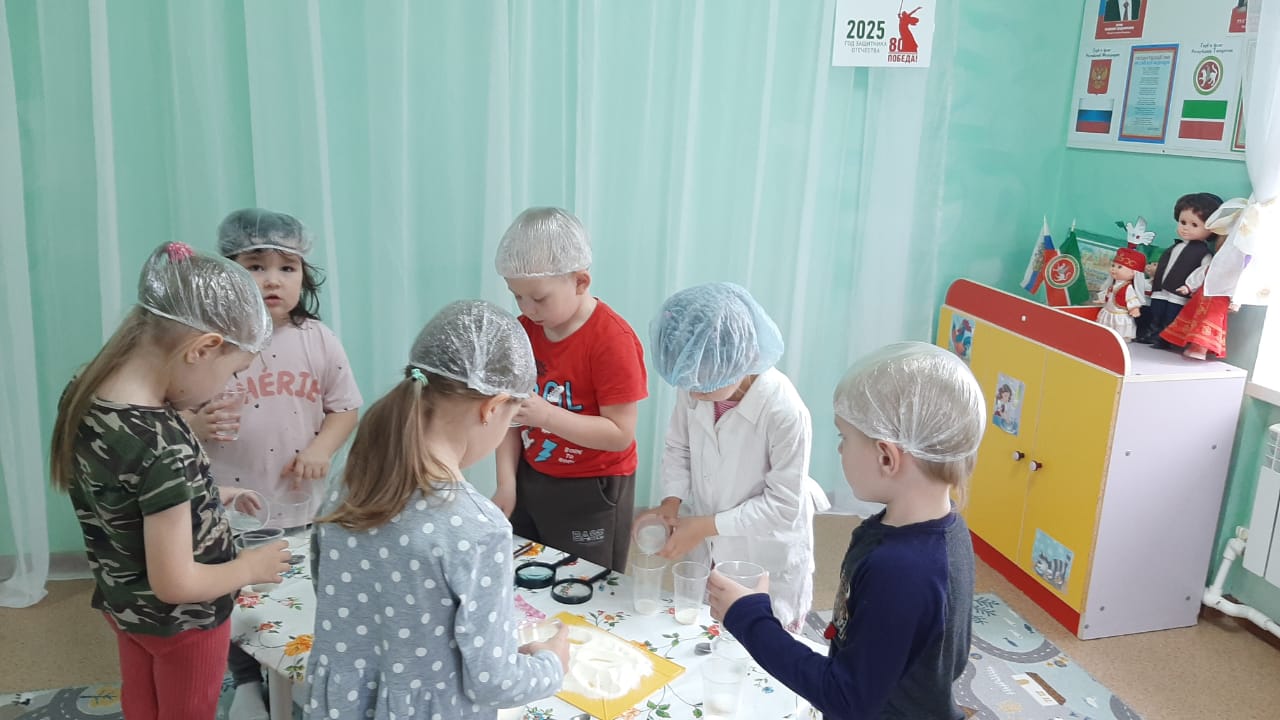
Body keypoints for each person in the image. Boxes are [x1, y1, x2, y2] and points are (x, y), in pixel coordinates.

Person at [48, 242, 289, 720]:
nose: (228, 387)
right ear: (203, 349)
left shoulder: (86, 394)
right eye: (233, 371)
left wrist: (212, 496)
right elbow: (177, 582)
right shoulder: (163, 442)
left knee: (140, 697)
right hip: (186, 623)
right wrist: (249, 567)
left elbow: (129, 495)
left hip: (124, 605)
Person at [307, 300, 569, 720]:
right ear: (491, 408)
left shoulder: (347, 485)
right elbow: (494, 681)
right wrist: (552, 663)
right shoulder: (478, 528)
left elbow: (333, 592)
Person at [708, 342, 984, 720]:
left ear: (886, 457)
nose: (840, 450)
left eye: (844, 438)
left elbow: (845, 698)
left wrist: (748, 615)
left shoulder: (901, 570)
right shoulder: (944, 530)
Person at [182, 209, 363, 719]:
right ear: (229, 274)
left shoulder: (317, 339)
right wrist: (195, 425)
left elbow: (345, 408)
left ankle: (293, 672)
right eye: (256, 266)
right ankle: (245, 681)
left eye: (287, 267)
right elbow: (167, 416)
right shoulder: (207, 343)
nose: (272, 280)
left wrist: (322, 449)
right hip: (229, 504)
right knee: (235, 597)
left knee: (298, 597)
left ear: (304, 276)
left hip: (301, 504)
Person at [641, 282, 828, 631]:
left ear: (740, 358)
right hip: (713, 543)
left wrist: (704, 526)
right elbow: (679, 446)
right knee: (713, 627)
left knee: (766, 637)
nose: (693, 392)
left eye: (703, 383)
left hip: (764, 549)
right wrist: (671, 500)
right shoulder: (695, 386)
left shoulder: (784, 411)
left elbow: (783, 506)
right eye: (687, 382)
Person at [492, 207, 648, 570]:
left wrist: (547, 416)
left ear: (580, 282)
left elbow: (619, 435)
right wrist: (506, 483)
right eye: (517, 297)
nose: (528, 309)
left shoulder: (611, 340)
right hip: (531, 475)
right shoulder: (522, 332)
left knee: (584, 582)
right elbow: (510, 419)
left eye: (539, 298)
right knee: (528, 571)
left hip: (592, 487)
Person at [1137, 193, 1223, 345]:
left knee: (1171, 316)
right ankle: (1152, 333)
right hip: (1160, 289)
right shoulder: (1175, 247)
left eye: (1194, 225)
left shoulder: (1203, 254)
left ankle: (1164, 338)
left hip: (1179, 292)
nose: (1185, 228)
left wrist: (1190, 286)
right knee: (1156, 311)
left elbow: (1203, 273)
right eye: (1183, 222)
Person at [1094, 247, 1148, 341]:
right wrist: (1102, 299)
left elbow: (1132, 299)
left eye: (1119, 267)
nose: (1114, 269)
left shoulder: (1128, 288)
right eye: (1113, 265)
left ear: (1133, 273)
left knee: (1118, 332)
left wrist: (1134, 308)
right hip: (1108, 310)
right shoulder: (1114, 284)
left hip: (1119, 314)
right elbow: (1109, 294)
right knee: (1105, 328)